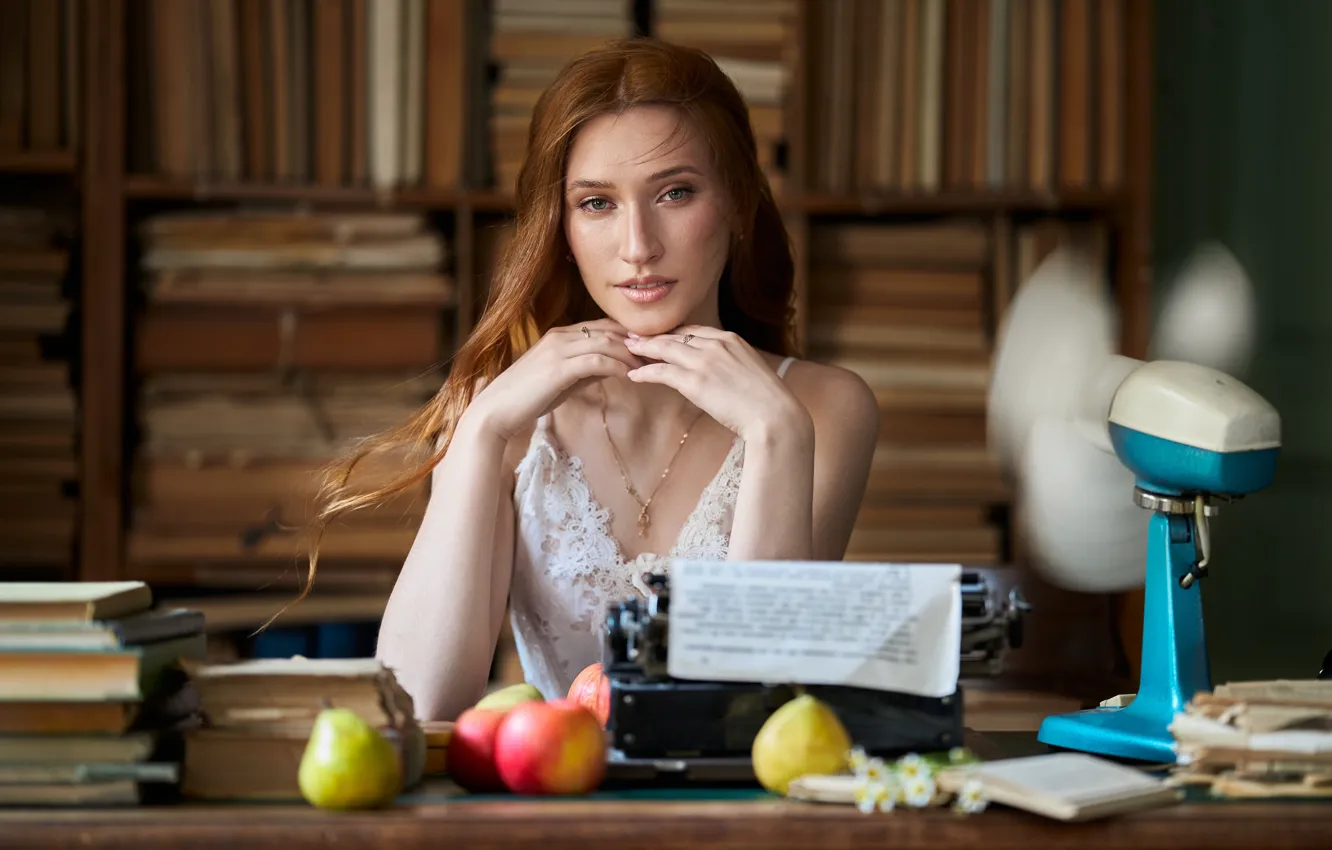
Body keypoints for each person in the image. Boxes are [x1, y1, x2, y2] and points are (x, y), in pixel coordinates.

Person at [308, 38, 879, 721]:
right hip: (548, 808)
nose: (638, 246)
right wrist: (483, 431)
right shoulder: (506, 414)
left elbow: (759, 708)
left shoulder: (823, 409)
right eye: (597, 204)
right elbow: (419, 703)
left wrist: (775, 431)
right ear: (562, 228)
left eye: (675, 192)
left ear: (735, 203)